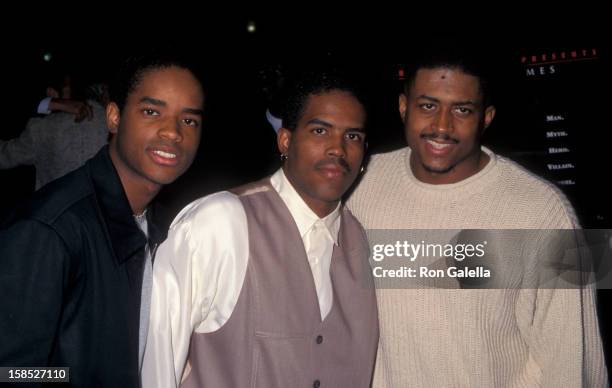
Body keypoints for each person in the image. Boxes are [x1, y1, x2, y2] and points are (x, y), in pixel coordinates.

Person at [347, 47, 608, 387]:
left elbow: (574, 360)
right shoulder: (361, 186)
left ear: (486, 117)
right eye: (427, 106)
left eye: (462, 110)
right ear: (403, 107)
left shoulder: (545, 212)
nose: (442, 126)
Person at [142, 71, 379, 388]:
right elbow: (157, 358)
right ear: (286, 140)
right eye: (320, 131)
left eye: (352, 137)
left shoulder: (362, 242)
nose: (338, 148)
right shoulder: (221, 222)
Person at [0, 52, 205, 387]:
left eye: (189, 120)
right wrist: (76, 377)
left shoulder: (167, 228)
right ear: (113, 117)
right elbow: (11, 372)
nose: (172, 132)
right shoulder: (48, 231)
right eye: (152, 111)